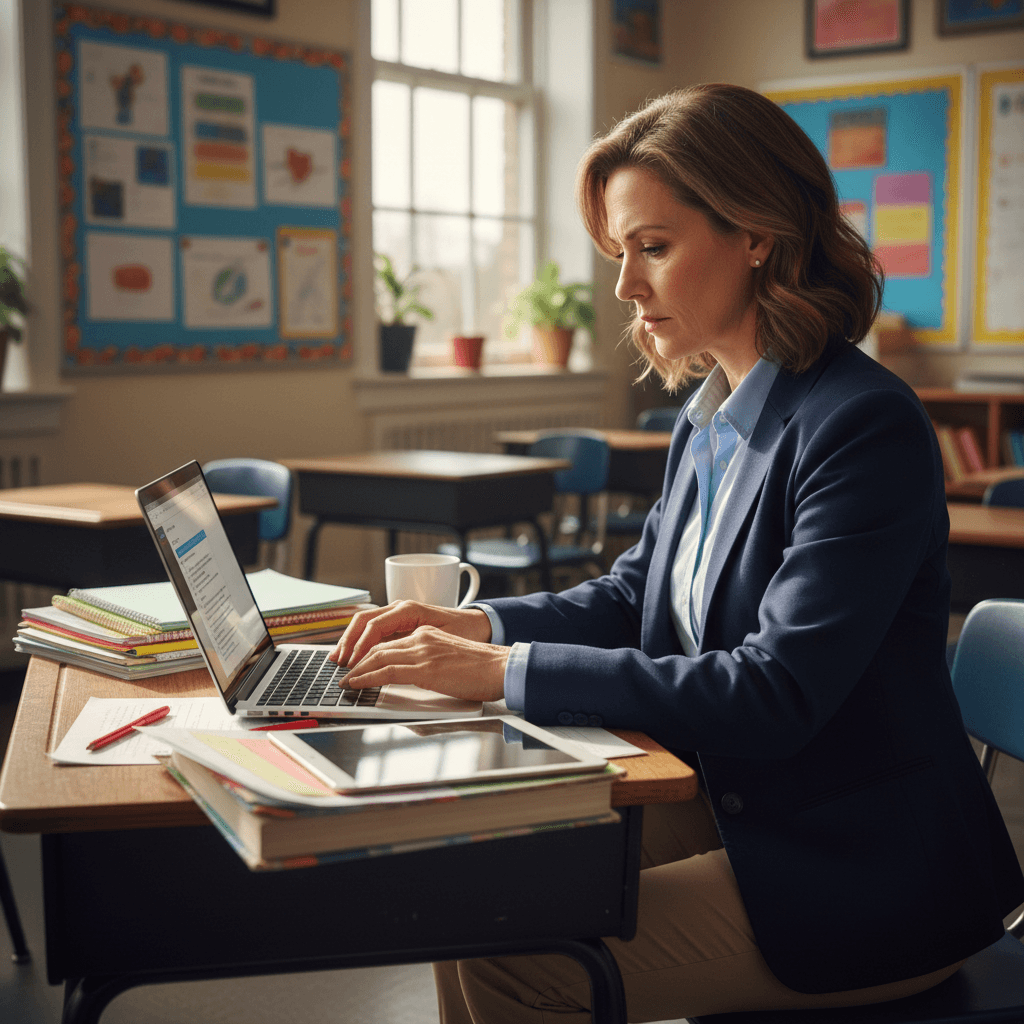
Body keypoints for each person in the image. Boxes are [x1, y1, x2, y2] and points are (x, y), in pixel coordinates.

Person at [331, 84, 1024, 1021]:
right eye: (621, 253)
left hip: (867, 868)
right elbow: (635, 596)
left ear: (757, 235)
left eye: (653, 248)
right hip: (750, 802)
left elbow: (774, 692)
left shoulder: (864, 425)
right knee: (474, 894)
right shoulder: (710, 419)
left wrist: (500, 669)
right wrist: (470, 622)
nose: (625, 287)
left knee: (518, 968)